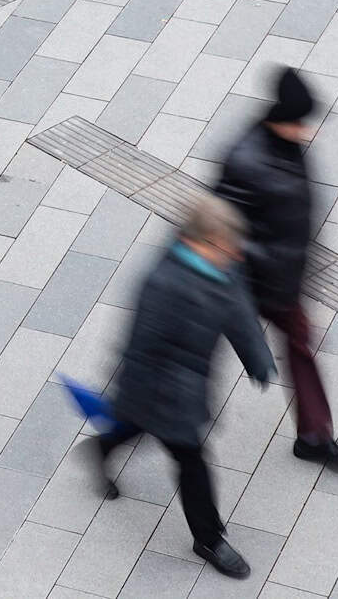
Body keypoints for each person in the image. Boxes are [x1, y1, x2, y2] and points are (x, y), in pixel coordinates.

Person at [90, 194, 275, 580]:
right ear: (199, 242)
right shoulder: (163, 285)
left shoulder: (221, 264)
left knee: (130, 426)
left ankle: (100, 449)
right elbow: (143, 352)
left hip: (181, 387)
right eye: (227, 247)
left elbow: (236, 308)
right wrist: (178, 412)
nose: (234, 255)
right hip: (160, 392)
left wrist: (256, 356)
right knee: (191, 462)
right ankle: (208, 538)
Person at [215, 66, 338, 476]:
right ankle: (125, 427)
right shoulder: (244, 161)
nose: (309, 132)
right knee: (186, 359)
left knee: (300, 346)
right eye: (301, 123)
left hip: (281, 284)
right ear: (282, 119)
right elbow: (219, 226)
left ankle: (314, 438)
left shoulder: (284, 146)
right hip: (245, 287)